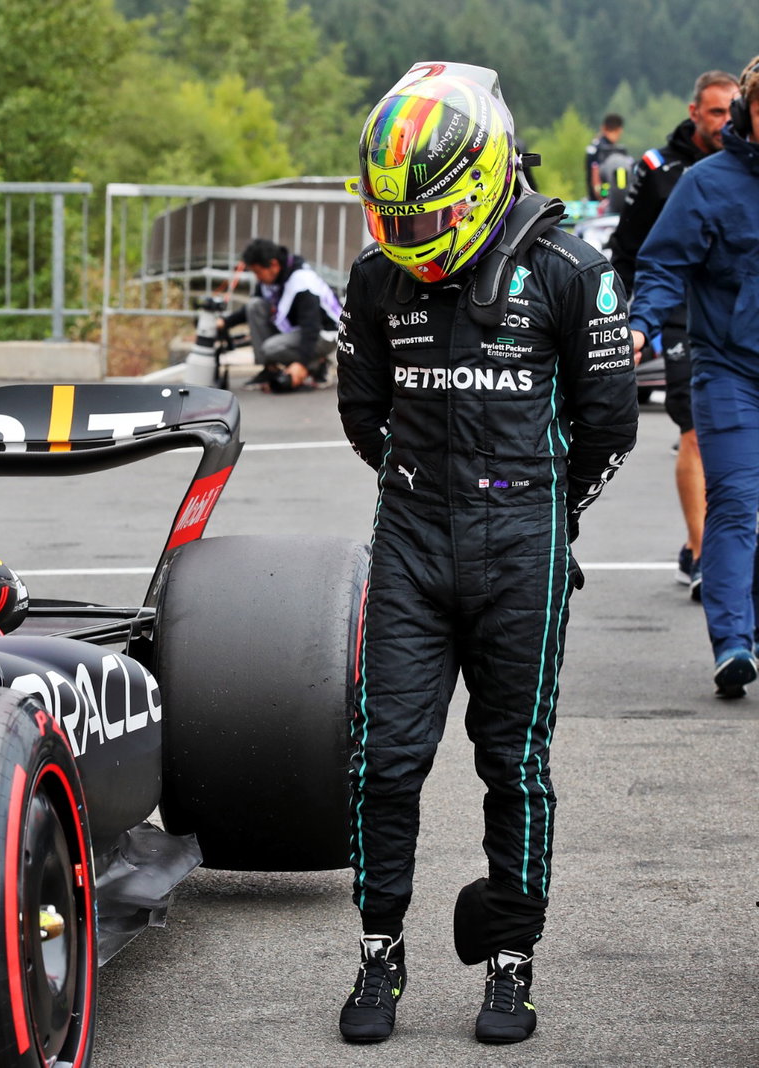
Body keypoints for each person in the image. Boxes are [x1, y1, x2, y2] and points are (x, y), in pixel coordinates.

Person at [335, 62, 637, 1045]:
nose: (407, 236)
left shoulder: (570, 271)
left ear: (478, 182)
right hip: (412, 543)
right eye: (393, 217)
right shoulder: (376, 277)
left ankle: (511, 960)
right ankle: (379, 949)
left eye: (422, 218)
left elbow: (609, 426)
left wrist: (544, 512)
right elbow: (361, 412)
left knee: (513, 764)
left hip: (522, 549)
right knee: (385, 761)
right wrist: (425, 486)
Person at [629, 55, 759, 698]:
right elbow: (661, 266)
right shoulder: (707, 184)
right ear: (745, 112)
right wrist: (637, 328)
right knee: (734, 501)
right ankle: (733, 642)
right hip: (731, 369)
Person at [611, 70, 741, 599]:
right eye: (716, 111)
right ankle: (704, 552)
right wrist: (629, 319)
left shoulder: (745, 167)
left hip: (734, 309)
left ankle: (712, 544)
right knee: (692, 429)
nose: (726, 121)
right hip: (675, 309)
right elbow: (627, 248)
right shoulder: (658, 169)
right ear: (694, 113)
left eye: (733, 110)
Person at [217, 238, 342, 392]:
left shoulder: (302, 281)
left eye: (257, 272)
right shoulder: (272, 279)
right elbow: (249, 310)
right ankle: (270, 370)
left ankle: (318, 365)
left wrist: (301, 364)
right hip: (299, 331)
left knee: (270, 348)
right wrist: (225, 322)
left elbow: (311, 327)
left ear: (274, 265)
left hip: (325, 334)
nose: (257, 277)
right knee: (255, 305)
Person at [585, 113, 627, 202]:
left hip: (594, 198)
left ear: (603, 128)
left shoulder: (595, 145)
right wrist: (603, 197)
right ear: (619, 130)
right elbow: (596, 176)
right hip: (602, 200)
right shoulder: (605, 150)